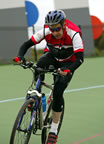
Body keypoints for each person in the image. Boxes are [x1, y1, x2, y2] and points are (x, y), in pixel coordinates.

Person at [16, 10, 84, 144]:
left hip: (69, 62)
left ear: (64, 25)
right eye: (52, 29)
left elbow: (80, 59)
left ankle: (53, 129)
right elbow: (26, 44)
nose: (54, 32)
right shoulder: (46, 30)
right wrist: (20, 56)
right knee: (39, 65)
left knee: (58, 90)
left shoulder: (74, 33)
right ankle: (37, 96)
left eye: (57, 28)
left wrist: (68, 70)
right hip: (52, 57)